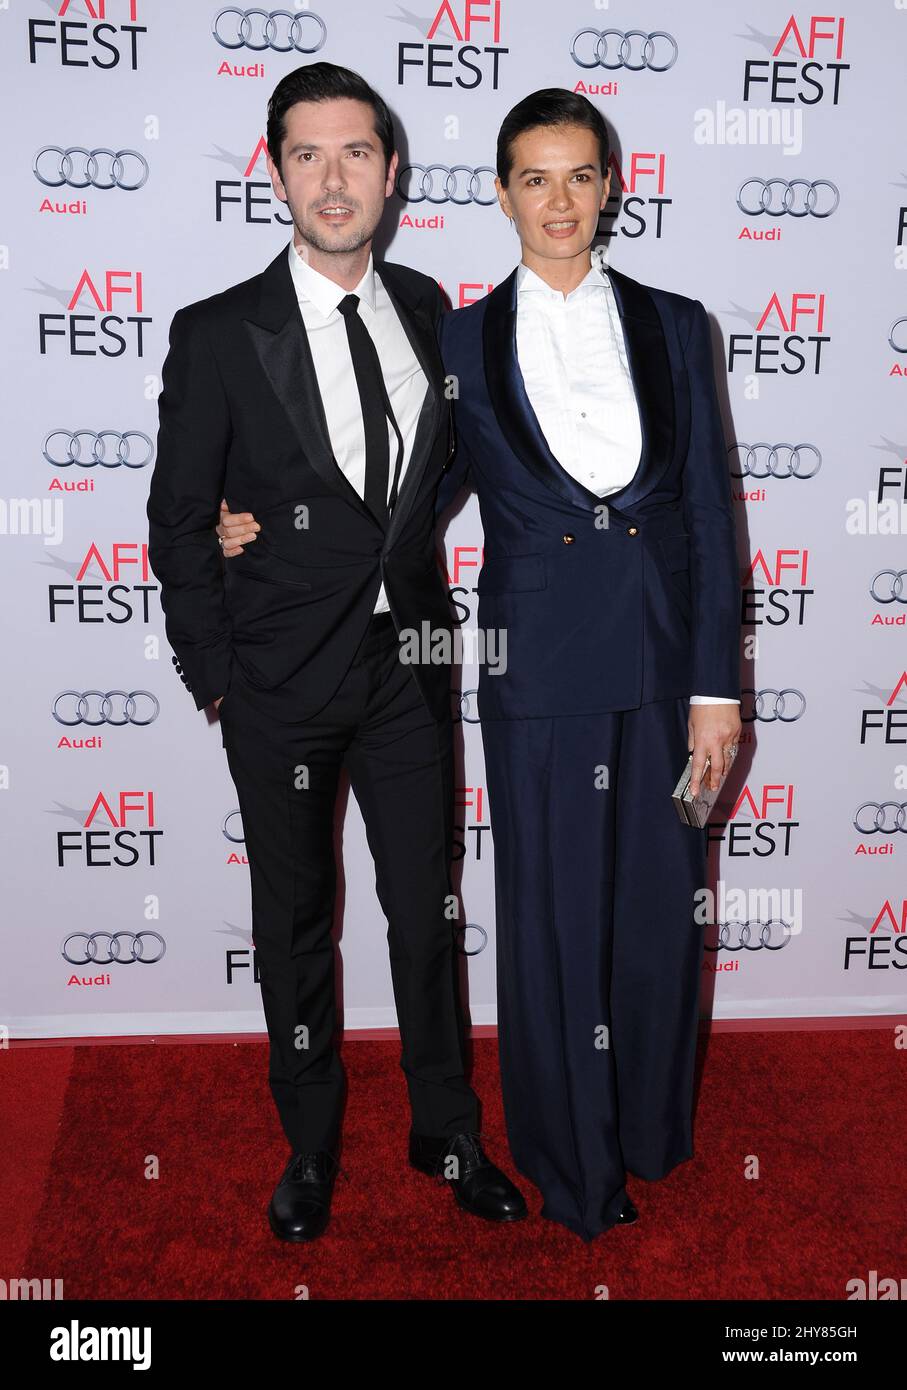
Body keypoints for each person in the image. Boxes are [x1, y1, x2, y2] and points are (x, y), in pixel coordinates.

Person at [217, 89, 743, 1242]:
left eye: (579, 175)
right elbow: (396, 493)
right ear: (501, 194)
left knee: (658, 912)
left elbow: (711, 513)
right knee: (553, 923)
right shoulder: (455, 340)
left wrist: (717, 690)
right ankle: (573, 1163)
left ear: (611, 187)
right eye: (534, 178)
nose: (559, 201)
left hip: (666, 669)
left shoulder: (677, 324)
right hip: (539, 669)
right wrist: (248, 513)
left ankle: (650, 1128)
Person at [146, 61, 525, 1244]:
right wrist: (217, 674)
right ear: (274, 174)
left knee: (426, 913)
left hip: (408, 662)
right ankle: (309, 1145)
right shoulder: (219, 333)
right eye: (306, 154)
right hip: (278, 682)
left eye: (354, 152)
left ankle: (446, 1129)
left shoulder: (429, 309)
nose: (332, 178)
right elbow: (177, 520)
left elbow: (439, 471)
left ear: (390, 170)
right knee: (296, 922)